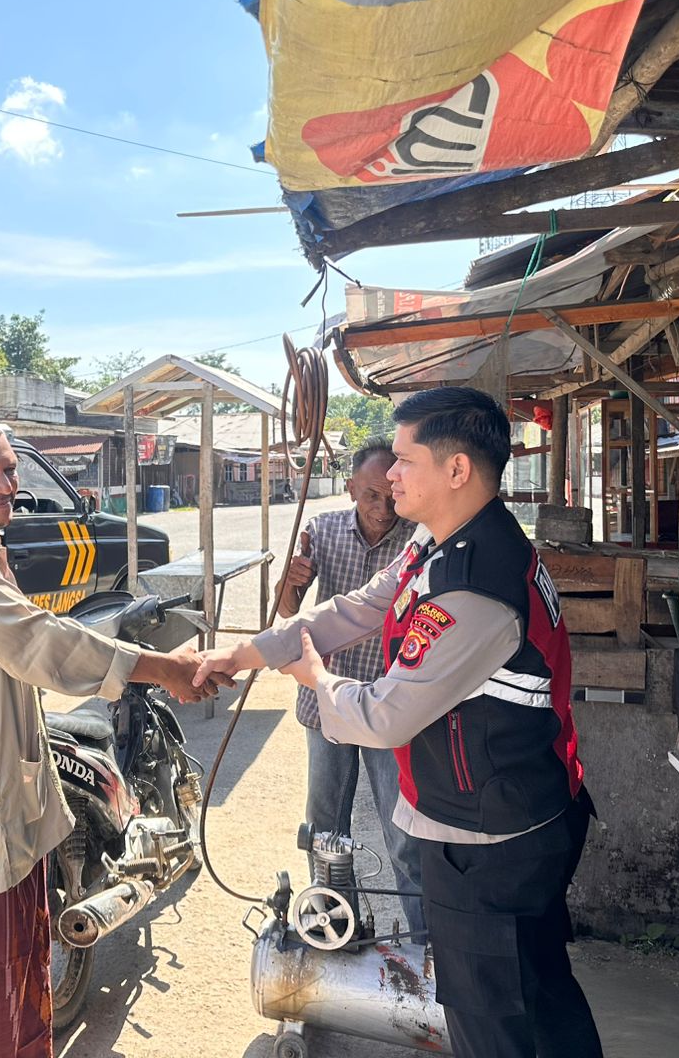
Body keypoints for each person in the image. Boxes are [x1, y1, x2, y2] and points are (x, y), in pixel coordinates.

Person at [195, 388, 601, 1058]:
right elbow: (356, 608)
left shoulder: (477, 586)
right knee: (537, 1001)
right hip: (499, 815)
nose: (389, 474)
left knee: (491, 1019)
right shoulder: (440, 543)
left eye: (405, 459)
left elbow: (385, 715)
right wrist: (243, 653)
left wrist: (316, 680)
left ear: (457, 470)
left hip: (490, 841)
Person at [0, 404, 223, 1058]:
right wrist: (160, 668)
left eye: (9, 471)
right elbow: (38, 643)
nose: (4, 486)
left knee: (8, 980)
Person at [276, 442, 423, 938]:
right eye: (370, 497)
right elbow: (286, 612)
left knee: (403, 834)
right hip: (327, 706)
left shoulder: (417, 539)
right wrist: (292, 582)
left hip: (388, 707)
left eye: (390, 497)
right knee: (324, 830)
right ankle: (337, 927)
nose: (383, 510)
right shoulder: (322, 531)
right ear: (350, 490)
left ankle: (427, 946)